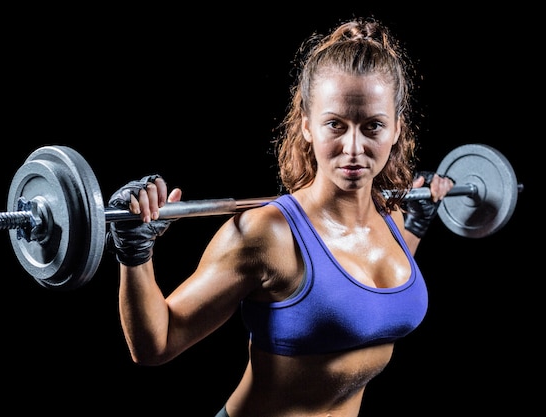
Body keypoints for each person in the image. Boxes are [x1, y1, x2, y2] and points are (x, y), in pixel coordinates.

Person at [107, 16, 455, 417]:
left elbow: (368, 292)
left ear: (396, 129)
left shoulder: (392, 214)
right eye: (335, 125)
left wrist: (417, 222)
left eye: (372, 126)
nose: (354, 147)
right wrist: (135, 251)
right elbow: (156, 345)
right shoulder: (266, 234)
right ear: (307, 126)